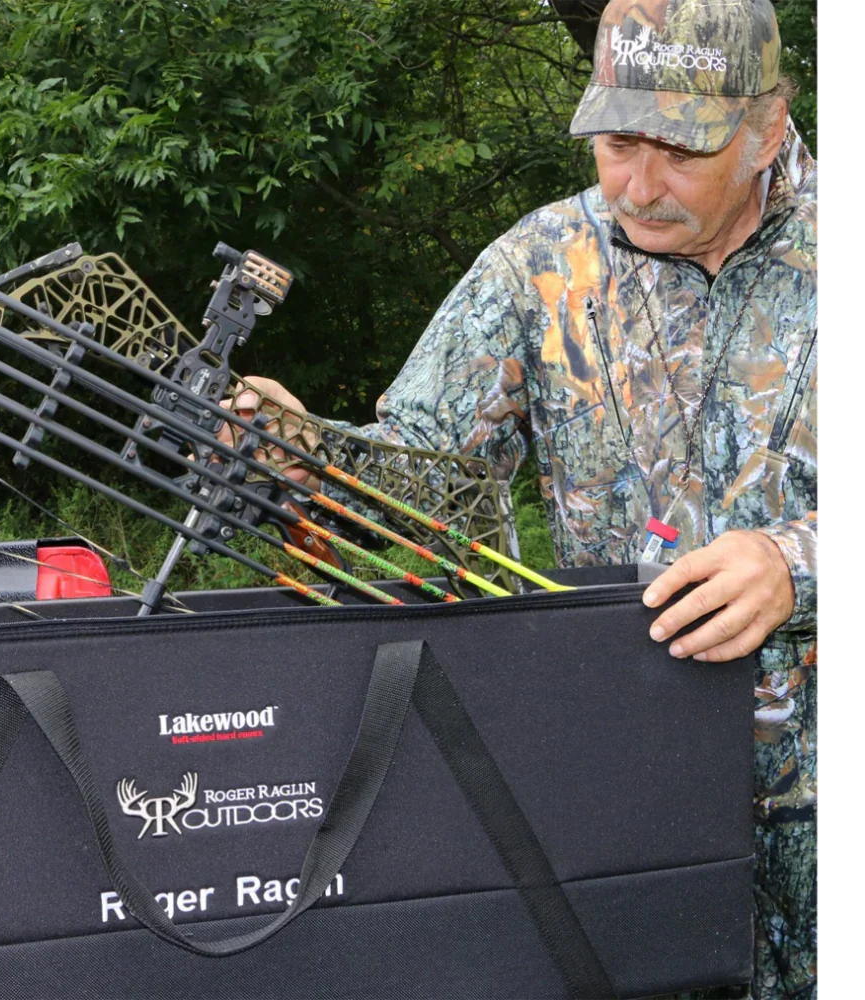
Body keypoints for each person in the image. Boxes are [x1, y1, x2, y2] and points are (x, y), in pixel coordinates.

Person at [225, 0, 818, 996]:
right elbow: (427, 474)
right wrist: (305, 452)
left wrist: (792, 563)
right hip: (616, 799)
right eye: (617, 143)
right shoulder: (540, 265)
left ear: (765, 126)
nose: (639, 184)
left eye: (681, 150)